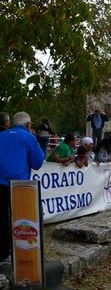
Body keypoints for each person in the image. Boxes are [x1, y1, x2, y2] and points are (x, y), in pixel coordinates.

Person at [0, 111, 45, 262]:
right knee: (20, 220)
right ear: (28, 125)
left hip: (0, 183)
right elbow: (37, 163)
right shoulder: (28, 137)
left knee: (2, 219)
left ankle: (3, 254)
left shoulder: (1, 135)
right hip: (18, 186)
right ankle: (20, 253)